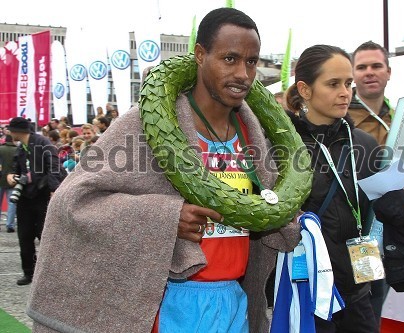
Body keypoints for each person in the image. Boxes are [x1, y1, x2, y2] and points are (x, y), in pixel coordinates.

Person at [27, 7, 302, 333]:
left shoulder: (253, 132)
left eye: (252, 61)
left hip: (236, 301)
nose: (243, 73)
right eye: (230, 58)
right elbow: (71, 201)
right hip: (166, 304)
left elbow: (271, 203)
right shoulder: (143, 123)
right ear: (200, 55)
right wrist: (166, 217)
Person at [285, 44, 404, 333]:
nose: (346, 92)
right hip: (306, 291)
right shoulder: (282, 145)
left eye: (348, 83)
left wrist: (403, 213)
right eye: (333, 84)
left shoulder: (362, 142)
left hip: (358, 288)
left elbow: (386, 209)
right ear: (305, 89)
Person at [348, 40, 404, 325]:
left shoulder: (402, 120)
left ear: (388, 72)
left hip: (385, 240)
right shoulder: (341, 116)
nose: (369, 72)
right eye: (362, 67)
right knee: (349, 317)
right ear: (353, 74)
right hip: (350, 235)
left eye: (376, 66)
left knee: (372, 314)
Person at [5, 117, 66, 286]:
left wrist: (54, 189)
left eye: (11, 129)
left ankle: (53, 274)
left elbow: (54, 165)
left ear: (17, 131)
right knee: (24, 237)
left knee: (45, 236)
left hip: (42, 195)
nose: (9, 132)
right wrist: (11, 176)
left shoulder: (42, 142)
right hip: (25, 197)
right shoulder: (21, 148)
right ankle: (29, 273)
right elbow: (16, 169)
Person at [0, 134, 18, 232]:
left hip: (0, 179)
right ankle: (10, 225)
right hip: (12, 179)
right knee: (12, 203)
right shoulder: (17, 150)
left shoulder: (1, 149)